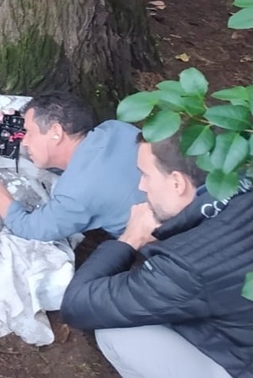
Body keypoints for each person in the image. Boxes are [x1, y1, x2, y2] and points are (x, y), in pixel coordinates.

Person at [61, 133, 253, 378]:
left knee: (116, 333)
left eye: (145, 174)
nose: (141, 186)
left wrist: (130, 239)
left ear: (177, 183)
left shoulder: (185, 266)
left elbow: (77, 305)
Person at [0, 90, 144, 240]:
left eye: (28, 133)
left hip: (161, 250)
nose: (25, 142)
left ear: (56, 132)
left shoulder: (75, 193)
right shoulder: (117, 129)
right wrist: (19, 131)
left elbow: (26, 227)